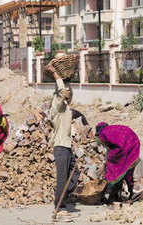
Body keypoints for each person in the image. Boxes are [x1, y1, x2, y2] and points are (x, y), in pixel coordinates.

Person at [46, 66, 80, 212]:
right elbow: (61, 92)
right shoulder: (57, 105)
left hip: (67, 146)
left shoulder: (65, 107)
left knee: (75, 173)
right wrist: (55, 74)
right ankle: (59, 206)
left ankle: (63, 197)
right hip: (60, 146)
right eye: (67, 92)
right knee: (62, 178)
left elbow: (65, 92)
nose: (68, 93)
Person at [95, 122, 141, 204]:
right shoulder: (111, 130)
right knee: (127, 171)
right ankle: (130, 192)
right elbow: (113, 145)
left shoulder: (103, 134)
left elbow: (110, 149)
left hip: (126, 146)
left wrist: (108, 161)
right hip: (134, 143)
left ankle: (111, 195)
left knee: (115, 170)